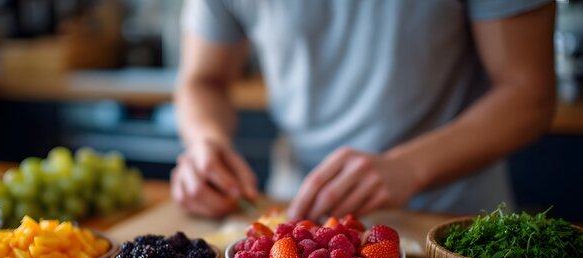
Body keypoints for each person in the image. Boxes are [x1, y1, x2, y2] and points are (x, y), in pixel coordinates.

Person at [171, 0, 556, 221]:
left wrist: (407, 167)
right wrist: (206, 142)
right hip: (296, 210)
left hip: (449, 222)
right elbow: (203, 80)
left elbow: (529, 94)